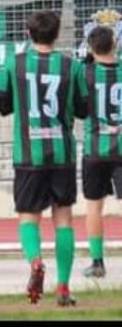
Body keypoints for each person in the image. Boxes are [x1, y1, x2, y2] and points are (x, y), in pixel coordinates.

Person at [0, 10, 85, 306]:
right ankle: (63, 287)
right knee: (64, 219)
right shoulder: (71, 66)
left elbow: (3, 106)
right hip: (62, 153)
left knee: (28, 218)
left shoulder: (15, 63)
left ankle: (35, 261)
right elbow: (83, 109)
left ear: (28, 33)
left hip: (28, 154)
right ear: (57, 34)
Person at [77, 26, 122, 279]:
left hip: (95, 148)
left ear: (91, 48)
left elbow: (79, 108)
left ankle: (97, 262)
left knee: (94, 206)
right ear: (115, 44)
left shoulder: (86, 73)